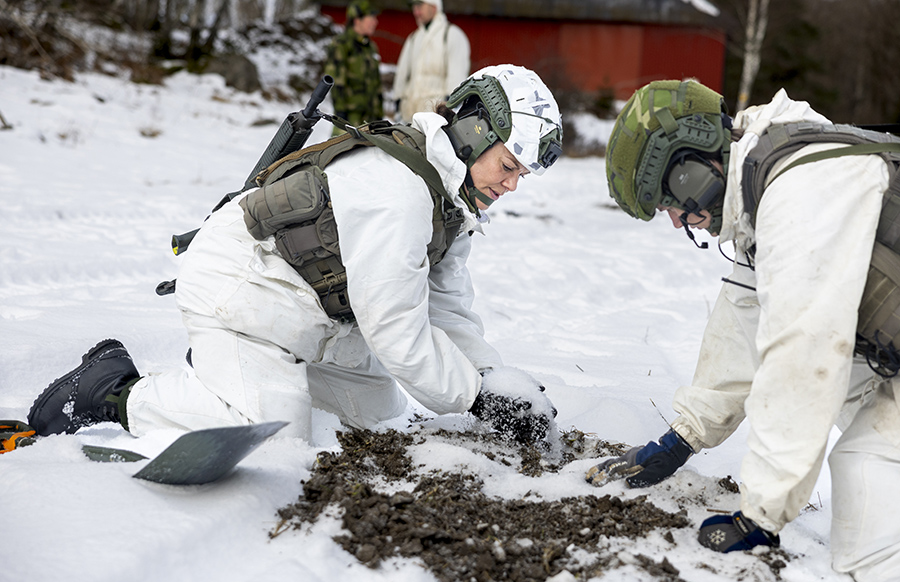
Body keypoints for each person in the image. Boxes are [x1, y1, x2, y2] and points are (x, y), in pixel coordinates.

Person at [27, 65, 564, 451]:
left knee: (374, 417)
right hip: (241, 297)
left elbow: (444, 310)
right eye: (509, 165)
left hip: (303, 316)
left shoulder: (449, 200)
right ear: (474, 134)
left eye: (522, 175)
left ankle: (228, 377)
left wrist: (495, 380)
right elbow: (397, 328)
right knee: (273, 435)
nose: (512, 185)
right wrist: (476, 399)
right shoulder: (396, 191)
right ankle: (112, 390)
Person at [588, 78, 900, 582]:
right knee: (852, 406)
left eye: (669, 201)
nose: (674, 221)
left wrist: (761, 513)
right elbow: (743, 317)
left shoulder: (802, 193)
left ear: (690, 167)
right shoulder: (770, 180)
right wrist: (685, 436)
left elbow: (803, 354)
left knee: (868, 525)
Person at [392, 0, 470, 123]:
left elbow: (457, 79)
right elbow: (402, 74)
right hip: (408, 118)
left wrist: (449, 110)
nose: (416, 12)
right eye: (414, 7)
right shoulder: (414, 38)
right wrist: (398, 100)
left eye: (420, 6)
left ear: (434, 7)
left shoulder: (451, 35)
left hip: (434, 119)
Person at [323, 0, 383, 136]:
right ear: (357, 20)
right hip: (349, 120)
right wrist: (341, 114)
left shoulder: (371, 47)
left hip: (371, 121)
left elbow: (377, 84)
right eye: (371, 17)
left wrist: (379, 115)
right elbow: (335, 80)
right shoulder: (341, 45)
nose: (375, 22)